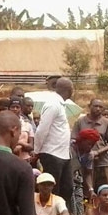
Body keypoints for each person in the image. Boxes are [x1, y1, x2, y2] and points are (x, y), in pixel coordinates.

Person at [34, 76, 74, 207]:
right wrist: (36, 151)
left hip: (63, 154)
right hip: (52, 154)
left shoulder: (60, 105)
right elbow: (42, 130)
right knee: (53, 188)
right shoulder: (52, 104)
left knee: (67, 188)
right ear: (68, 90)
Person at [72, 98, 108, 188]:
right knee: (85, 188)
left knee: (104, 189)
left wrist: (97, 152)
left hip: (102, 162)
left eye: (101, 107)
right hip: (84, 162)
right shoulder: (80, 121)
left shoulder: (107, 123)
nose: (98, 109)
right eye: (95, 106)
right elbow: (73, 140)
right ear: (89, 106)